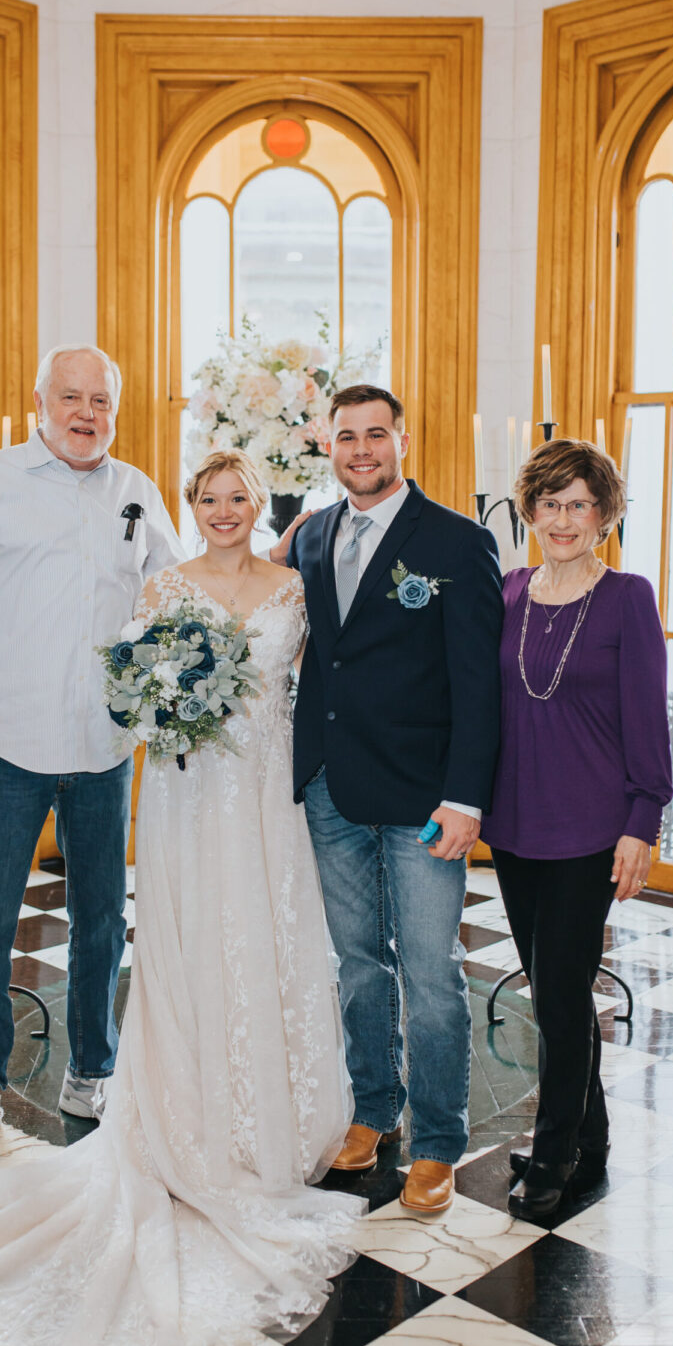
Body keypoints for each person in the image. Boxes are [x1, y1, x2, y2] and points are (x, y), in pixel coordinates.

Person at [0, 449, 360, 1346]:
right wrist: (157, 702)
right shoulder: (156, 575)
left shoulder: (282, 574)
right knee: (71, 932)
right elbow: (133, 669)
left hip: (265, 800)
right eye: (206, 496)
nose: (219, 509)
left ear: (261, 504)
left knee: (253, 939)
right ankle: (10, 1090)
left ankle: (243, 1102)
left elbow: (328, 676)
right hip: (174, 788)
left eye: (236, 496)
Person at [0, 344, 183, 1169]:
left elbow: (176, 594)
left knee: (102, 921)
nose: (86, 413)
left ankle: (92, 1071)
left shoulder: (136, 491)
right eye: (71, 397)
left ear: (115, 409)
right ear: (40, 401)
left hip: (102, 747)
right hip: (1, 744)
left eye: (101, 400)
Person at [274, 384, 503, 1214]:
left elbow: (479, 687)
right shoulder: (309, 537)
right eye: (347, 437)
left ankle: (439, 1137)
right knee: (359, 966)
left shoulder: (455, 540)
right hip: (333, 785)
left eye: (377, 434)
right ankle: (373, 1109)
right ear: (327, 446)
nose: (362, 449)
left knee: (433, 975)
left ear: (404, 438)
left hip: (423, 798)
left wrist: (466, 798)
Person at [481, 438, 673, 1220]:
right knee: (549, 989)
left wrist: (643, 821)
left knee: (561, 998)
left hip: (591, 827)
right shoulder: (509, 590)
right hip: (515, 824)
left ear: (605, 514)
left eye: (580, 504)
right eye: (550, 503)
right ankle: (590, 1138)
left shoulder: (627, 596)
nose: (563, 519)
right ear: (529, 510)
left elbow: (648, 721)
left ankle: (555, 1151)